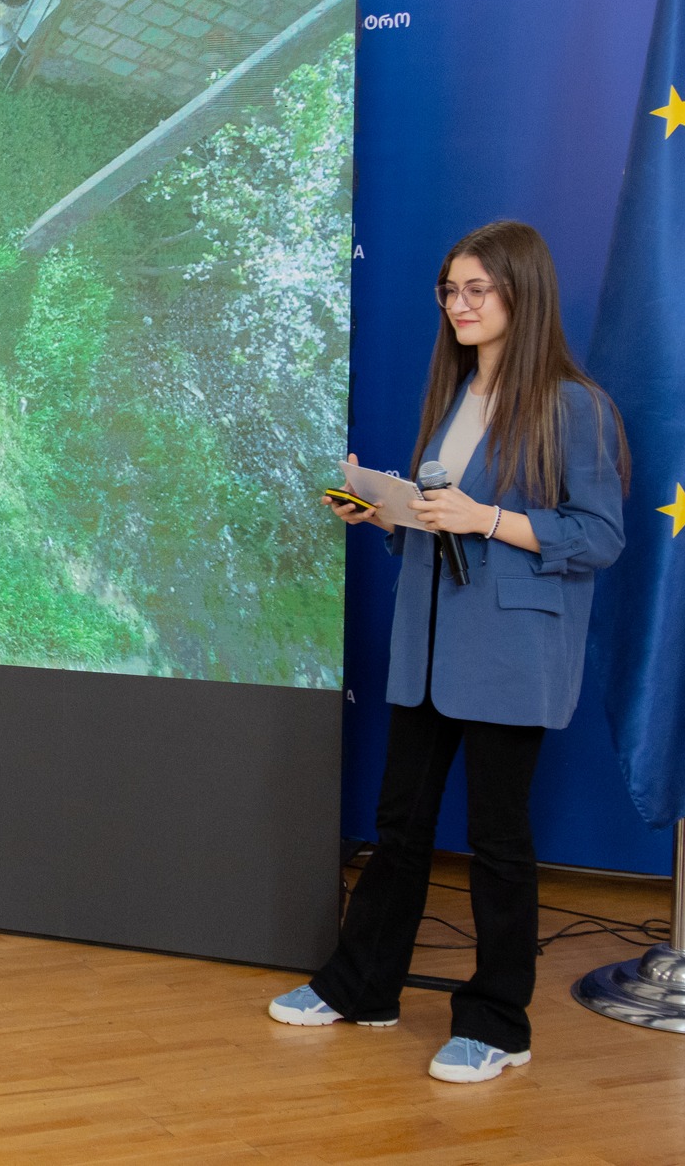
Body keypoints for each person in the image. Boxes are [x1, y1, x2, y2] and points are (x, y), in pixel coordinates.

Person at [267, 221, 626, 1082]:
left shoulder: (574, 405)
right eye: (450, 291)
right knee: (400, 827)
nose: (459, 305)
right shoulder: (458, 393)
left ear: (520, 294)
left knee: (498, 840)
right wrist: (383, 513)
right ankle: (363, 987)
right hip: (426, 647)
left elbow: (600, 536)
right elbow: (439, 525)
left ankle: (499, 1023)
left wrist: (487, 517)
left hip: (510, 655)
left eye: (476, 290)